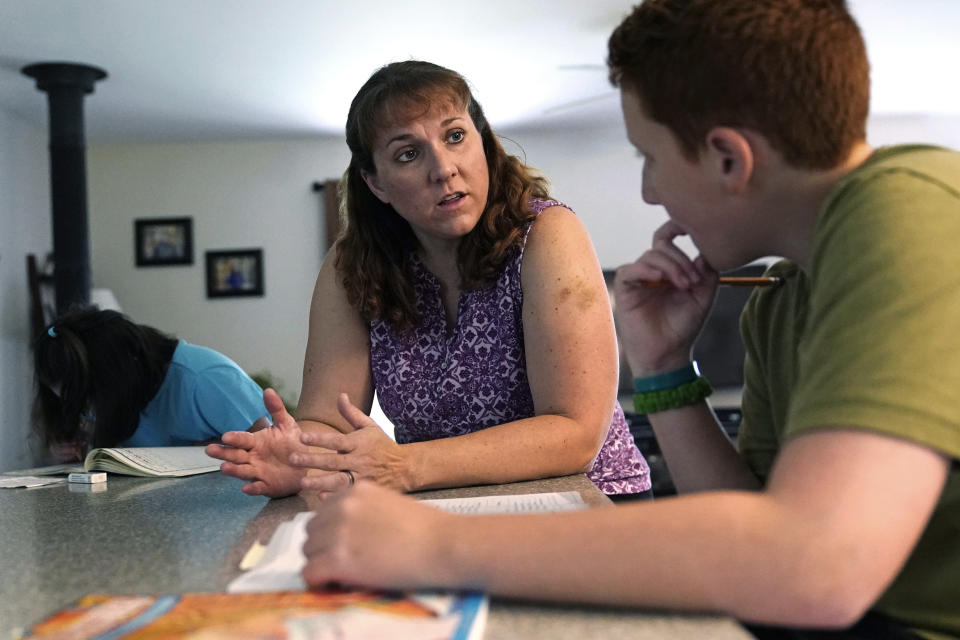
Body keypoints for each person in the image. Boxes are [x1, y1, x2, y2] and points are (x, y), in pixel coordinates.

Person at [296, 2, 960, 639]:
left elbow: (817, 568)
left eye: (649, 156)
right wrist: (665, 368)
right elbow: (747, 521)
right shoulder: (781, 299)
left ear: (729, 157)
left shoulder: (912, 212)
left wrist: (435, 545)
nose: (648, 191)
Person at [206, 60, 651, 500]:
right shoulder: (352, 265)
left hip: (589, 501)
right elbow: (329, 420)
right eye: (408, 154)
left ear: (484, 144)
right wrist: (302, 457)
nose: (443, 168)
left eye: (455, 136)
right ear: (376, 183)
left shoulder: (547, 235)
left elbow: (575, 433)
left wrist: (407, 465)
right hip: (444, 512)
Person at [33, 307, 269, 460]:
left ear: (116, 376)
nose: (89, 411)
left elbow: (272, 450)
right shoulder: (112, 390)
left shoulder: (205, 379)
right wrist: (71, 448)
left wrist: (213, 451)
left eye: (87, 398)